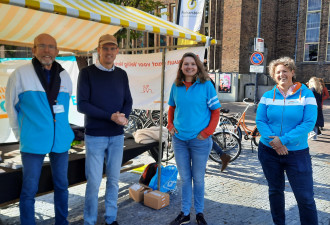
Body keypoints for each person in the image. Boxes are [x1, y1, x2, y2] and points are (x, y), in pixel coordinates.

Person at [5, 33, 74, 225]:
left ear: (57, 51)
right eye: (41, 46)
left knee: (62, 185)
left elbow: (64, 108)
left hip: (60, 141)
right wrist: (22, 135)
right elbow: (11, 108)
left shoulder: (64, 75)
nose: (47, 50)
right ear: (33, 50)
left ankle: (62, 222)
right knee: (29, 189)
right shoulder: (20, 74)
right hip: (33, 142)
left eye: (51, 47)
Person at [77, 34, 132, 225]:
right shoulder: (87, 73)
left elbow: (128, 101)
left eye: (112, 48)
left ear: (117, 51)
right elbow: (82, 105)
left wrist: (123, 116)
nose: (109, 52)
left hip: (117, 137)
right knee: (93, 183)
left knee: (114, 181)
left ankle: (111, 218)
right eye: (105, 48)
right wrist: (111, 116)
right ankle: (89, 221)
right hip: (95, 136)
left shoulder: (122, 74)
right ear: (98, 50)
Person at [256, 57, 318, 225]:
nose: (281, 74)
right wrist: (274, 144)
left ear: (292, 72)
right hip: (269, 151)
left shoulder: (306, 94)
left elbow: (308, 123)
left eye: (285, 70)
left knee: (305, 196)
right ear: (273, 76)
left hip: (297, 153)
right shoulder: (268, 96)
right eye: (277, 72)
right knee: (275, 191)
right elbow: (261, 121)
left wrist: (282, 140)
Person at [167, 52, 221, 225]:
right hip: (179, 140)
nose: (189, 67)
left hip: (200, 141)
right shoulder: (176, 86)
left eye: (192, 64)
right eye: (186, 64)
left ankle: (199, 213)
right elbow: (171, 108)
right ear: (181, 67)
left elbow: (215, 111)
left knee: (198, 179)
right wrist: (170, 126)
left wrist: (207, 132)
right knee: (184, 179)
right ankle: (184, 213)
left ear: (197, 66)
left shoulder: (206, 85)